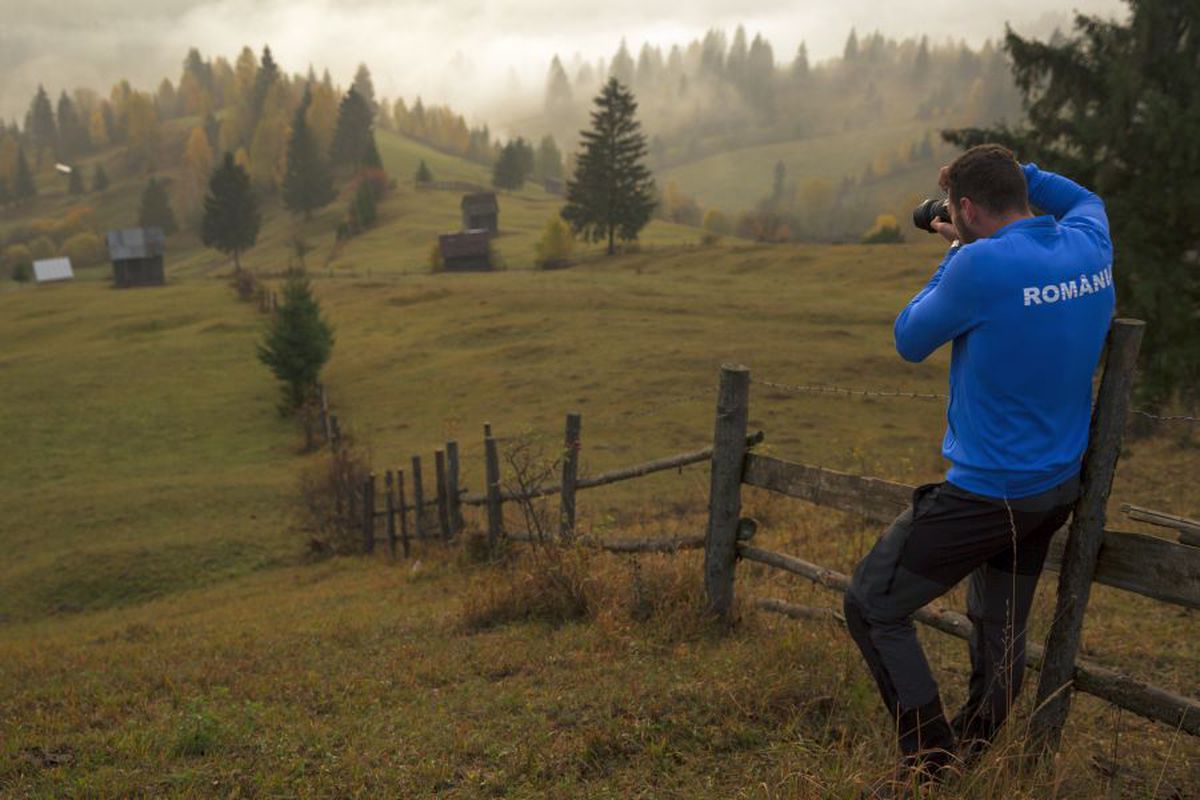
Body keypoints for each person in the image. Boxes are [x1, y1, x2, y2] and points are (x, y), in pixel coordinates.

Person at [842, 144, 1115, 792]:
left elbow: (909, 339)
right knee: (999, 632)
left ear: (963, 209)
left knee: (871, 604)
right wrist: (1019, 175)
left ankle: (928, 761)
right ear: (1023, 191)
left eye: (957, 214)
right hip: (1054, 491)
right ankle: (971, 752)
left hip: (988, 495)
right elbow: (1079, 197)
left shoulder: (977, 264)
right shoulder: (1088, 238)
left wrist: (958, 251)